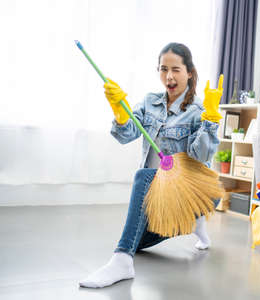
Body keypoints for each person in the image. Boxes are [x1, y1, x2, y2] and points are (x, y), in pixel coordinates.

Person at [79, 42, 223, 288]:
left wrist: (209, 119)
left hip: (194, 193)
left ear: (189, 72)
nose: (169, 76)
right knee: (140, 242)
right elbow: (126, 135)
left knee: (144, 175)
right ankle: (192, 223)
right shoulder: (149, 102)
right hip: (160, 197)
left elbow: (200, 157)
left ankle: (122, 260)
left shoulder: (199, 109)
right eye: (163, 68)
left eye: (176, 69)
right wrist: (120, 113)